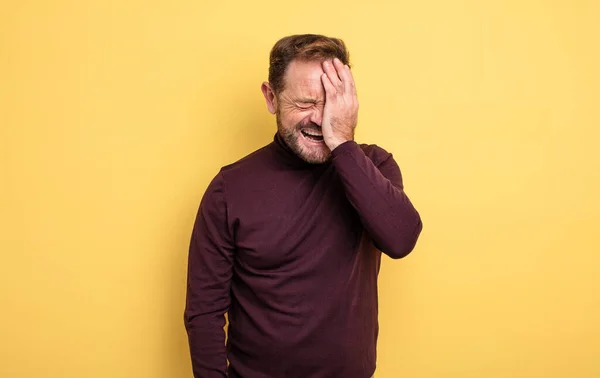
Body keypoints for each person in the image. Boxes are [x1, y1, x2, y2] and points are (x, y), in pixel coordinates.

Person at [184, 34, 423, 378]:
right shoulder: (228, 190)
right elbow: (204, 312)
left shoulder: (374, 166)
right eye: (305, 103)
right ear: (271, 98)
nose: (319, 118)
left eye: (331, 102)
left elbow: (401, 239)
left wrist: (342, 141)